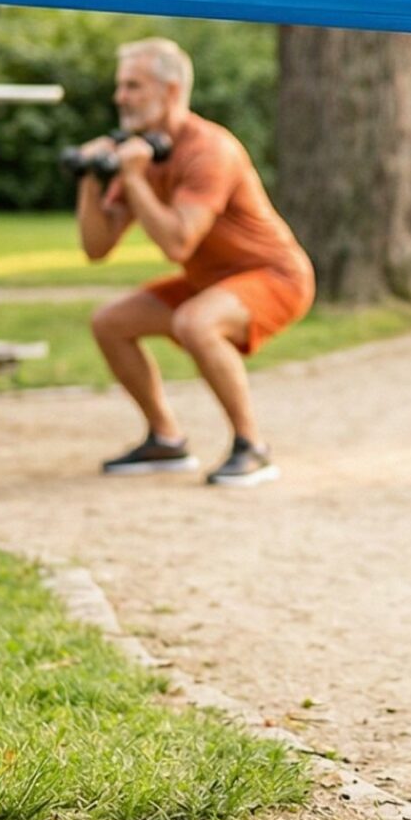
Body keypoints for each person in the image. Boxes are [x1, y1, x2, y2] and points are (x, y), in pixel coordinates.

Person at [76, 37, 314, 485]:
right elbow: (96, 247)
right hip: (209, 281)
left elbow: (178, 244)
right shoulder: (142, 153)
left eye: (133, 86)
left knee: (195, 322)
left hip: (275, 276)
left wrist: (132, 177)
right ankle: (166, 440)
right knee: (109, 322)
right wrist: (91, 180)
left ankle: (253, 447)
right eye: (120, 86)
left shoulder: (209, 150)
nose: (119, 97)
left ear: (170, 91)